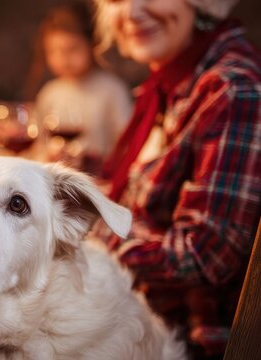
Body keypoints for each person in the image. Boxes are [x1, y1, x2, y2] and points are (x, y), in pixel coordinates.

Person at [92, 0, 260, 357]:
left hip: (185, 338)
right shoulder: (169, 82)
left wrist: (96, 235)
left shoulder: (231, 88)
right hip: (135, 309)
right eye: (117, 0)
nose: (132, 12)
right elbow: (139, 191)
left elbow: (204, 256)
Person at [30, 2, 132, 172]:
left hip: (100, 179)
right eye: (54, 51)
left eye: (72, 49)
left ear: (92, 45)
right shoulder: (50, 92)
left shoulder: (112, 90)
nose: (63, 58)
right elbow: (39, 145)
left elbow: (127, 144)